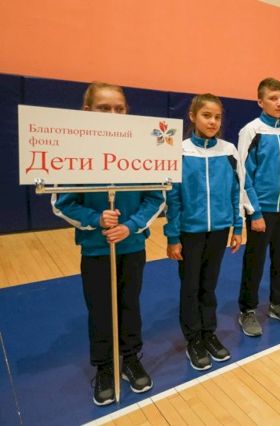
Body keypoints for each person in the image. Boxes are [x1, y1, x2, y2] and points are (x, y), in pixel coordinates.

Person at [52, 82, 165, 406]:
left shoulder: (143, 150)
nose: (113, 114)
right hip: (97, 248)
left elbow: (156, 197)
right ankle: (104, 366)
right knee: (101, 309)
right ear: (87, 111)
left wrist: (131, 226)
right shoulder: (74, 153)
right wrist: (96, 219)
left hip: (132, 246)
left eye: (119, 108)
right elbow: (62, 203)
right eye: (104, 109)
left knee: (130, 304)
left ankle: (130, 358)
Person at [164, 94, 242, 370]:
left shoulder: (228, 151)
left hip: (219, 230)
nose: (212, 122)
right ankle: (193, 339)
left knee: (209, 286)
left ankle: (208, 333)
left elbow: (236, 191)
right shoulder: (180, 151)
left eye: (217, 117)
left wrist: (238, 226)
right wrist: (173, 237)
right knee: (190, 287)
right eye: (206, 115)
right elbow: (173, 199)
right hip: (190, 232)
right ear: (192, 116)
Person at [237, 77, 280, 336]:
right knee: (254, 262)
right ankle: (247, 310)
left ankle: (277, 304)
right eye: (273, 98)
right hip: (261, 211)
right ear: (260, 101)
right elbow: (244, 174)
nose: (279, 103)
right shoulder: (251, 131)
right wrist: (254, 211)